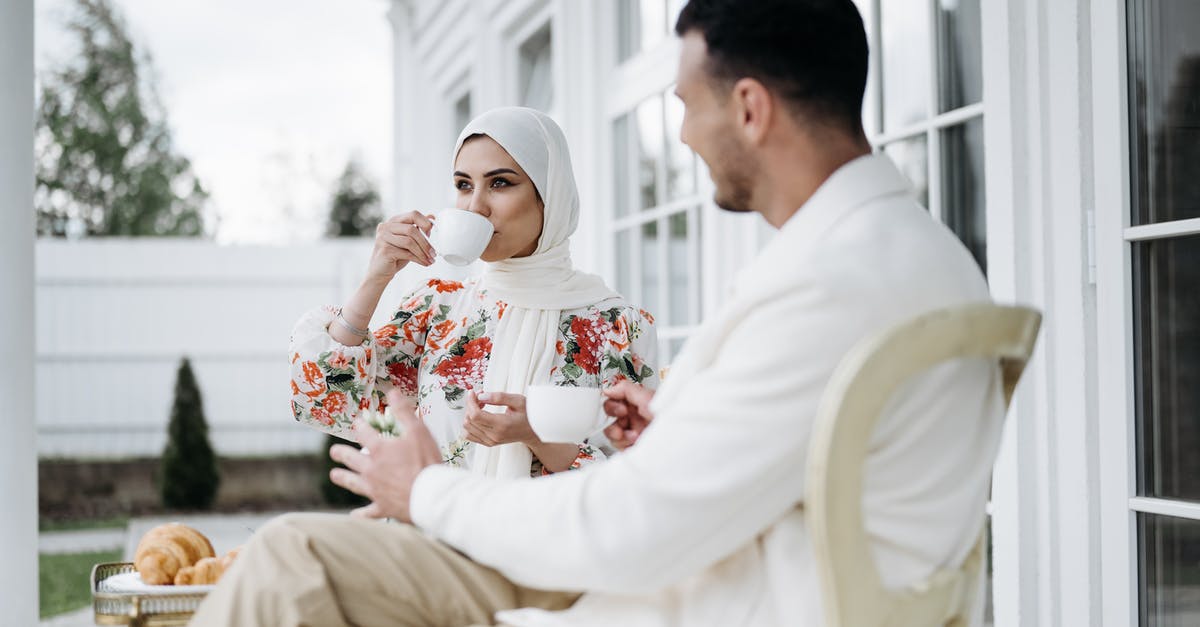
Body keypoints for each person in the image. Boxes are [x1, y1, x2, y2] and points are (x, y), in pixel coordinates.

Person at [190, 1, 1003, 625]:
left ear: (750, 108)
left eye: (687, 105)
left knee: (291, 556)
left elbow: (636, 522)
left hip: (660, 588)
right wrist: (669, 426)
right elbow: (744, 467)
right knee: (297, 560)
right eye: (464, 183)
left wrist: (430, 492)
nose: (683, 135)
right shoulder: (921, 257)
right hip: (670, 561)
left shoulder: (826, 281)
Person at [289, 106, 658, 479]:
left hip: (544, 535)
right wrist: (376, 278)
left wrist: (535, 436)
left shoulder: (617, 327)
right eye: (464, 185)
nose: (475, 207)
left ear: (550, 195)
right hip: (428, 531)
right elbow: (330, 403)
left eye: (500, 183)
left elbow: (636, 482)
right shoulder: (439, 308)